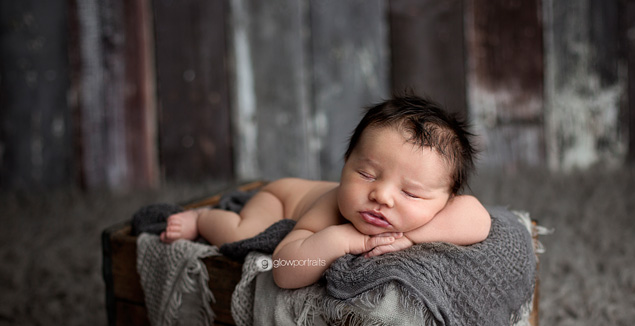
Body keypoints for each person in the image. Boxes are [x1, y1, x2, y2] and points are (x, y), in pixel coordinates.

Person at [160, 95, 492, 289]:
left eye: (411, 193)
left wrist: (410, 238)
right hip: (280, 199)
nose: (381, 196)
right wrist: (348, 239)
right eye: (366, 174)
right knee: (244, 233)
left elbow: (479, 220)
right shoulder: (331, 207)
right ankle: (202, 218)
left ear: (446, 200)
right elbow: (285, 270)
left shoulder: (436, 213)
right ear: (345, 163)